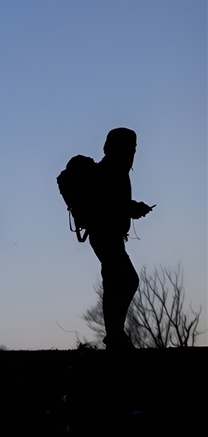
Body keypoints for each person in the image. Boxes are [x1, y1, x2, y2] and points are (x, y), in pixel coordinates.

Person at [88, 128, 153, 350]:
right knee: (123, 280)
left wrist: (132, 208)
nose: (132, 153)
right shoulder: (112, 170)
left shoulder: (112, 169)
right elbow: (110, 204)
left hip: (107, 235)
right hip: (105, 234)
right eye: (130, 148)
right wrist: (134, 209)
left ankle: (115, 334)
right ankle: (114, 335)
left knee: (117, 281)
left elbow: (114, 203)